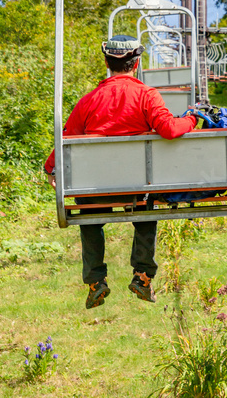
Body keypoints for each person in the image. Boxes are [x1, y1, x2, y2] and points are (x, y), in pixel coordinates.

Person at [44, 34, 201, 309]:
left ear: (107, 62)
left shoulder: (88, 100)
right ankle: (142, 275)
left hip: (94, 190)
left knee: (88, 215)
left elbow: (66, 138)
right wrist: (191, 118)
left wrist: (51, 168)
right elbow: (168, 129)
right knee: (147, 205)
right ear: (136, 63)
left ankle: (96, 280)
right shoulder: (147, 96)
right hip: (135, 188)